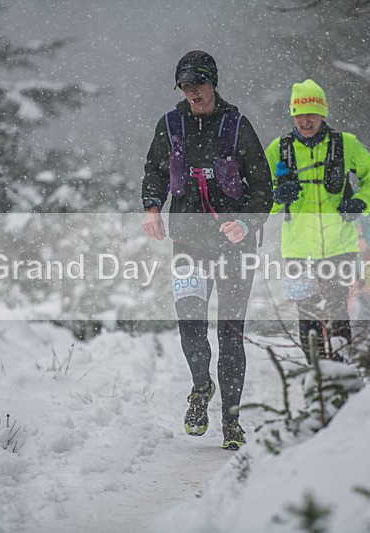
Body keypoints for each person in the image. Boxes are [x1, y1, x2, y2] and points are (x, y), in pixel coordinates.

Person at [140, 51, 272, 450]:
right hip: (189, 244)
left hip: (235, 246)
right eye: (185, 87)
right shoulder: (171, 125)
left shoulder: (237, 126)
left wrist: (246, 222)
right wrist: (151, 207)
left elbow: (264, 188)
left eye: (198, 86)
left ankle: (231, 421)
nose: (191, 93)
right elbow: (156, 170)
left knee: (231, 334)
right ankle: (201, 388)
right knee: (191, 324)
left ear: (213, 84)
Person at [264, 79, 370, 360]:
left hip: (339, 245)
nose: (306, 121)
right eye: (300, 114)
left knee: (339, 313)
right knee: (308, 316)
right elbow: (258, 201)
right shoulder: (278, 150)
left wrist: (359, 204)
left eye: (312, 114)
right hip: (298, 251)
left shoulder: (345, 144)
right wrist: (278, 195)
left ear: (323, 114)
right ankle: (317, 374)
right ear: (292, 115)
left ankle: (341, 377)